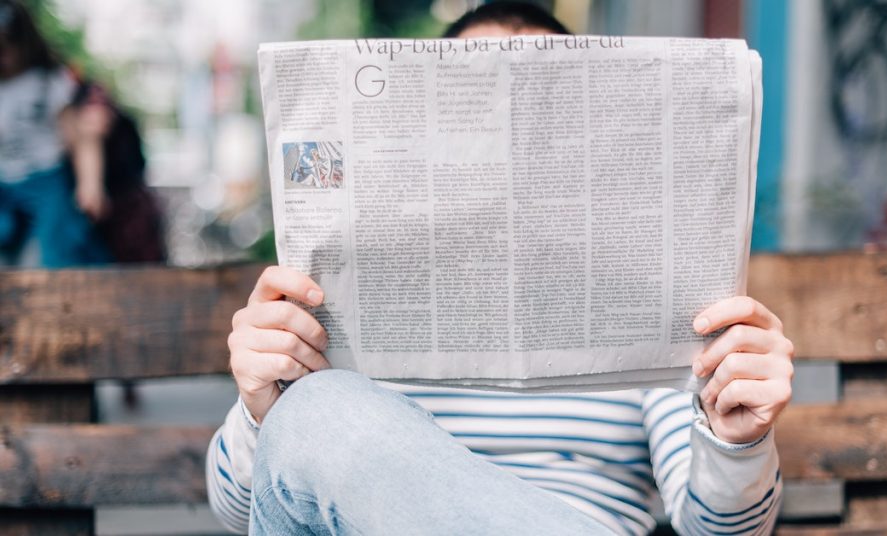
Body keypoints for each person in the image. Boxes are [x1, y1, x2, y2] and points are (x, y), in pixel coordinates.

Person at [207, 3, 793, 534]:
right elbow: (245, 513)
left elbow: (721, 533)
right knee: (318, 411)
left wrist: (736, 440)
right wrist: (263, 409)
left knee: (320, 412)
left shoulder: (649, 294)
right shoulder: (337, 296)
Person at [0, 0, 110, 267]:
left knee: (57, 246)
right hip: (4, 181)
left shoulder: (48, 80)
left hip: (46, 177)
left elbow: (82, 137)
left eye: (6, 48)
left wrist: (90, 183)